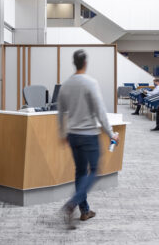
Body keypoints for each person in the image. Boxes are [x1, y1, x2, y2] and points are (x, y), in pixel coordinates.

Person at [57, 49, 119, 229]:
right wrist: (111, 133)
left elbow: (60, 112)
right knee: (95, 171)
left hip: (73, 135)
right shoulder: (90, 83)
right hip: (89, 135)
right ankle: (72, 203)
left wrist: (62, 134)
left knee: (80, 172)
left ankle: (84, 211)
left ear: (74, 63)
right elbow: (100, 111)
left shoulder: (66, 84)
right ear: (85, 63)